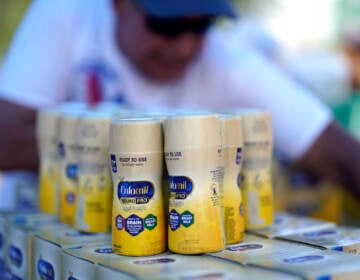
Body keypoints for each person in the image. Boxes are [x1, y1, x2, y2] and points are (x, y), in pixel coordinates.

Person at [0, 0, 359, 200]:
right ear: (119, 4)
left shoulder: (226, 58)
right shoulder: (63, 13)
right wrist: (155, 144)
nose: (185, 46)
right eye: (166, 25)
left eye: (202, 25)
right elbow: (5, 139)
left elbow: (340, 156)